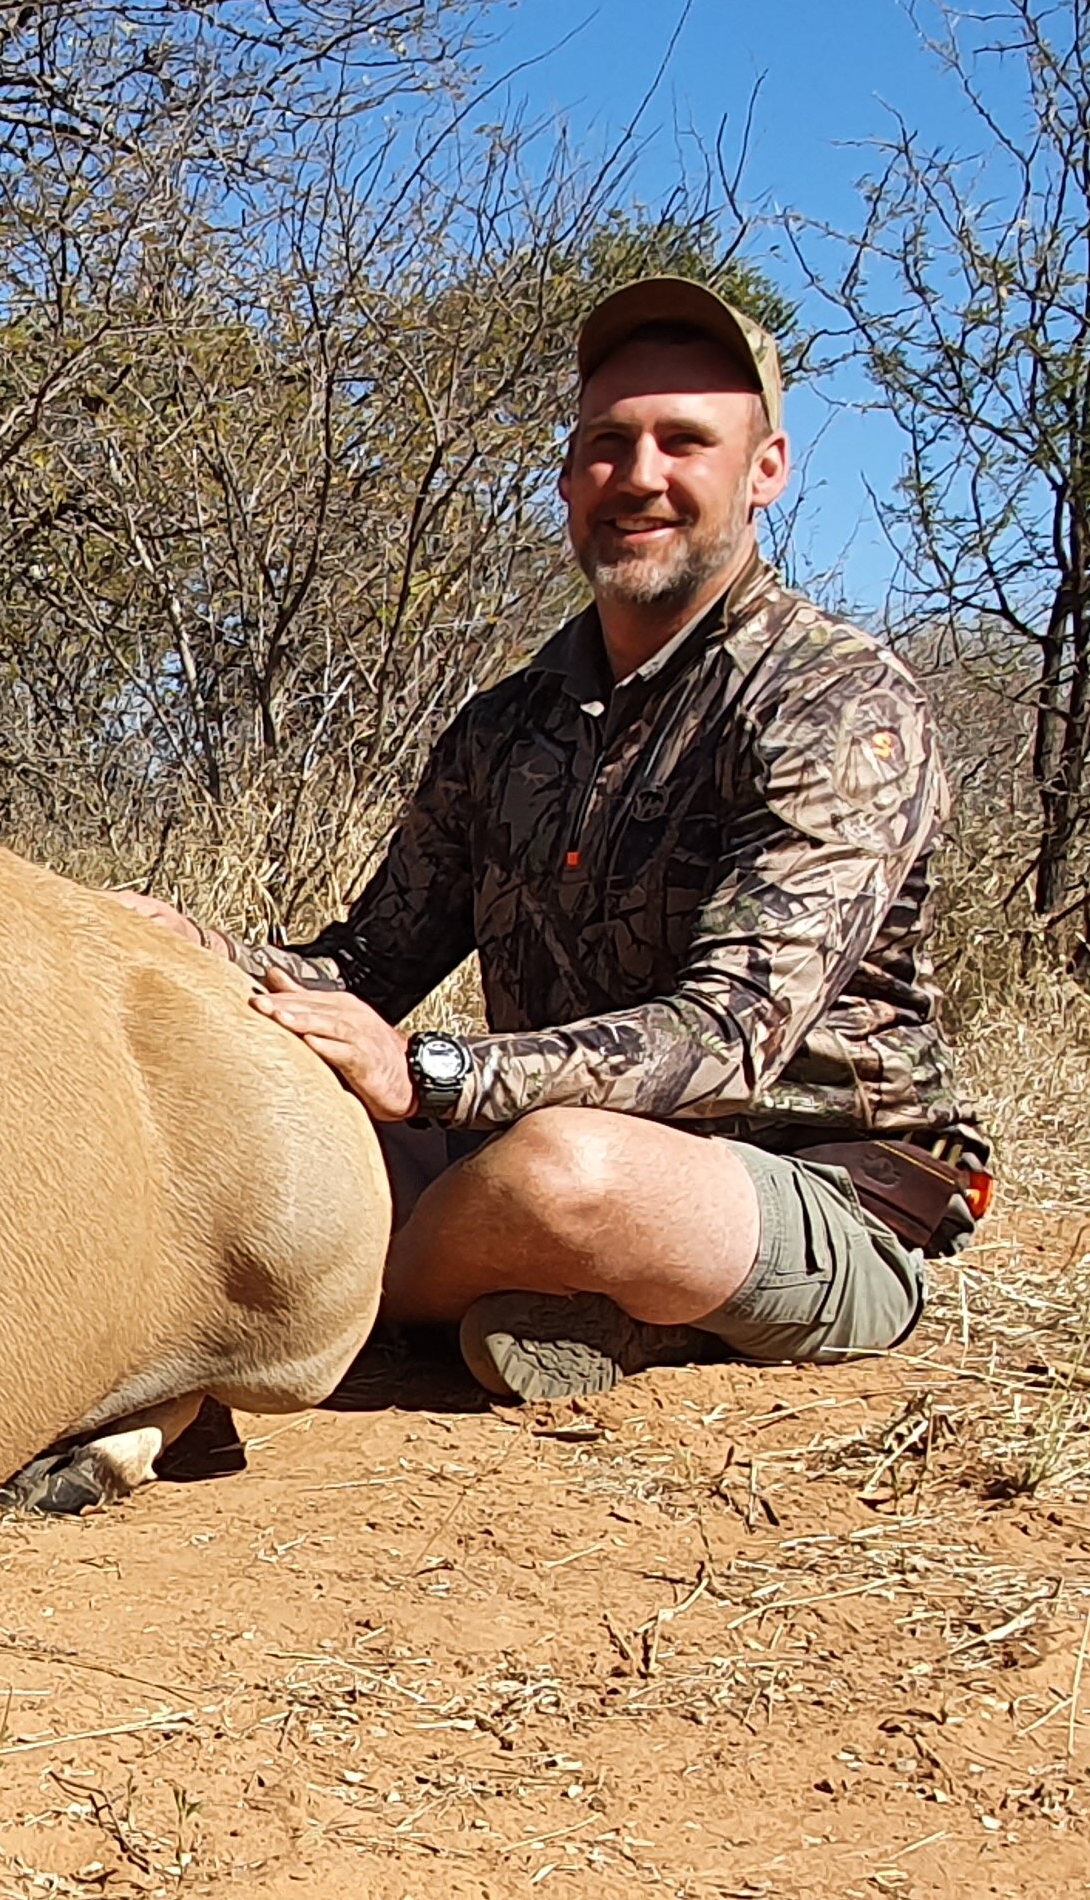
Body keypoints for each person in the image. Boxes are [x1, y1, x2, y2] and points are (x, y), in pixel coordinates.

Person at [118, 276, 993, 1404]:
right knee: (241, 1123)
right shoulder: (505, 724)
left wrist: (434, 1074)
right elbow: (369, 971)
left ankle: (274, 1312)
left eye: (685, 442)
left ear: (766, 469)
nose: (639, 478)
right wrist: (200, 953)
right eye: (607, 444)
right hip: (514, 1136)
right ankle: (545, 1307)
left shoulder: (838, 704)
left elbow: (729, 1035)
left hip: (804, 1187)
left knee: (562, 1178)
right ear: (569, 474)